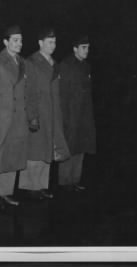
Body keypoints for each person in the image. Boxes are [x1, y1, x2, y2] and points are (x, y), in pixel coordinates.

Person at [0, 25, 33, 209]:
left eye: (20, 40)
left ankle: (5, 193)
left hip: (18, 117)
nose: (19, 44)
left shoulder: (22, 62)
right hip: (2, 117)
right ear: (6, 42)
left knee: (12, 155)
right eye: (15, 40)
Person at [19, 27, 70, 200]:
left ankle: (40, 186)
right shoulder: (32, 62)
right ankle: (29, 187)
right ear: (40, 43)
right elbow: (29, 91)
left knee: (47, 150)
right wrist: (32, 115)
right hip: (38, 113)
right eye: (49, 42)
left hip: (52, 113)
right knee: (34, 151)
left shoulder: (54, 63)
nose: (53, 45)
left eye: (54, 42)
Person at [58, 35, 96, 192]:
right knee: (69, 147)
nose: (86, 51)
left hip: (83, 114)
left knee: (80, 147)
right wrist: (64, 117)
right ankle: (64, 182)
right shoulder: (66, 65)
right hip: (70, 113)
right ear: (75, 49)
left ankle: (74, 180)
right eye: (83, 47)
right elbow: (63, 93)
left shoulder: (86, 66)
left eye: (88, 47)